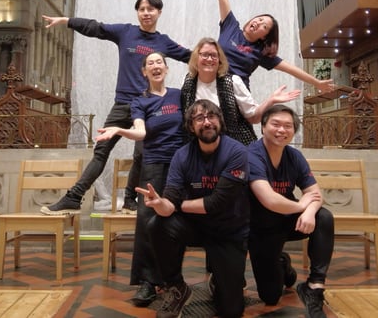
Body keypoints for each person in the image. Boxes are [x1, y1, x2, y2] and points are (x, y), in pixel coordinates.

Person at [41, 0, 191, 215]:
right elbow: (96, 28)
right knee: (101, 151)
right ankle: (74, 197)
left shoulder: (163, 42)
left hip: (148, 106)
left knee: (143, 152)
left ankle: (131, 200)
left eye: (151, 9)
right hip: (122, 104)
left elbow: (192, 57)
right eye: (142, 9)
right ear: (137, 12)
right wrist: (66, 21)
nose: (146, 13)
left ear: (159, 12)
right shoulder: (126, 32)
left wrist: (222, 61)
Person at [137, 99, 250, 318]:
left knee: (232, 310)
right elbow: (170, 199)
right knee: (157, 223)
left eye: (211, 116)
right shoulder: (181, 155)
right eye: (199, 118)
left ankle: (219, 279)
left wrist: (176, 205)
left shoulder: (237, 152)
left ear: (220, 121)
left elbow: (217, 203)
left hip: (229, 230)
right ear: (191, 126)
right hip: (195, 226)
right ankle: (176, 287)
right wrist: (161, 205)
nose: (207, 122)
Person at [93, 52, 184, 307]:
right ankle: (147, 281)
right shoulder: (140, 101)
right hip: (153, 165)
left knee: (175, 221)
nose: (155, 66)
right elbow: (141, 131)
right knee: (148, 221)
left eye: (159, 63)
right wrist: (121, 130)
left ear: (166, 68)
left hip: (180, 165)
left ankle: (172, 279)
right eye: (150, 64)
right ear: (144, 72)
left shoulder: (179, 95)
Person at [207, 0, 335, 92]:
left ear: (265, 36)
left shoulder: (261, 51)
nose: (258, 22)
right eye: (260, 19)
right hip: (212, 87)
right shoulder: (230, 26)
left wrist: (316, 82)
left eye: (264, 26)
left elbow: (290, 69)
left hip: (236, 94)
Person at [247, 104, 333, 318]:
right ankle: (283, 263)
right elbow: (269, 200)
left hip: (288, 220)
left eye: (288, 126)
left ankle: (315, 285)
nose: (281, 130)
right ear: (263, 126)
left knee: (323, 217)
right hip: (261, 227)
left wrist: (309, 211)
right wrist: (301, 206)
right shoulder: (251, 155)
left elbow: (315, 194)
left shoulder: (295, 156)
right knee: (270, 296)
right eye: (275, 124)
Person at [180, 37, 300, 146]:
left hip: (235, 146)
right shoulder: (187, 83)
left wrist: (271, 100)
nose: (209, 59)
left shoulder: (232, 82)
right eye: (205, 55)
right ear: (196, 58)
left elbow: (253, 118)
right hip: (200, 148)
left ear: (220, 60)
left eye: (214, 55)